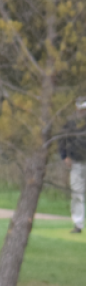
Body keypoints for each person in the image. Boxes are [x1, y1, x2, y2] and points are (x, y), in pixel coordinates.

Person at [60, 98, 86, 235]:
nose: (83, 112)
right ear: (77, 109)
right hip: (76, 161)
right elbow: (62, 139)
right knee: (77, 193)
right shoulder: (70, 123)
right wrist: (65, 156)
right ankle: (78, 224)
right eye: (81, 109)